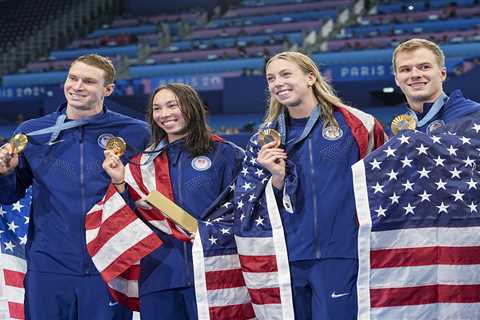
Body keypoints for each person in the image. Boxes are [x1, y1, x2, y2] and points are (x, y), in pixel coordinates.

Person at [236, 51, 385, 319]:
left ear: (310, 77)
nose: (277, 82)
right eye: (271, 78)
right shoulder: (264, 139)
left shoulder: (358, 125)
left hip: (342, 253)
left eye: (285, 74)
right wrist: (277, 179)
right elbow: (248, 202)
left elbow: (383, 186)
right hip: (286, 258)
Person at [0, 54, 150, 319]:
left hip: (109, 262)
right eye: (73, 78)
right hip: (49, 265)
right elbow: (9, 195)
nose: (77, 86)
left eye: (89, 81)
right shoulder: (32, 132)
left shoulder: (136, 133)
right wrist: (5, 174)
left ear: (108, 89)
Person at [101, 83, 244, 320]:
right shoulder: (140, 166)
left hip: (213, 271)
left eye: (172, 105)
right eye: (157, 108)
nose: (164, 114)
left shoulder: (227, 154)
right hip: (159, 274)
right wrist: (119, 182)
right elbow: (125, 221)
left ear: (192, 107)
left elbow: (241, 210)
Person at [393, 38, 480, 134]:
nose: (415, 75)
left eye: (425, 67)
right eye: (405, 69)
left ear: (442, 74)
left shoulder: (474, 116)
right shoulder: (398, 132)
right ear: (397, 79)